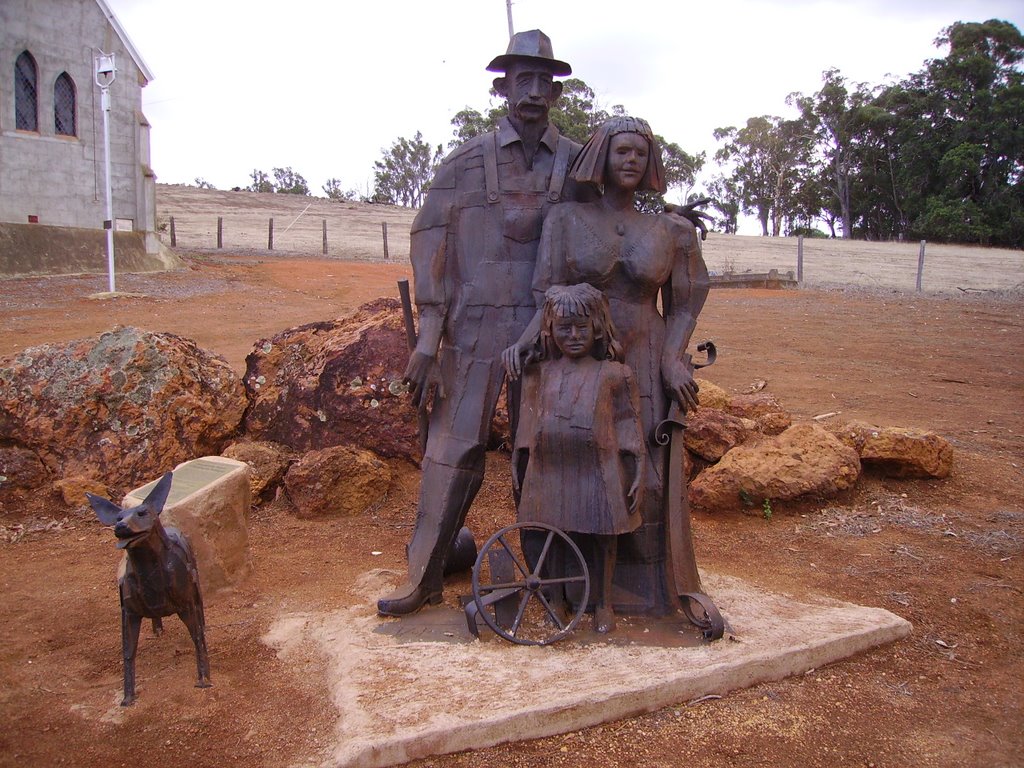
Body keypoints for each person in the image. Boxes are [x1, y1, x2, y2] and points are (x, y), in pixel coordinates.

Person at [376, 30, 584, 616]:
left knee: (543, 450)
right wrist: (428, 335)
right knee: (452, 448)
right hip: (471, 332)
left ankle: (554, 581)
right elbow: (431, 246)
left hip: (552, 335)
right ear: (502, 88)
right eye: (524, 80)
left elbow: (602, 233)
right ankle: (424, 576)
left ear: (556, 92)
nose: (535, 91)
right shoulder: (462, 166)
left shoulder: (578, 166)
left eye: (545, 81)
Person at [504, 116, 710, 615]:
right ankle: (564, 581)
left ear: (652, 163)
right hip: (577, 353)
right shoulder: (567, 219)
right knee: (568, 459)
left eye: (640, 152)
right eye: (621, 151)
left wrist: (673, 358)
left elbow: (685, 302)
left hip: (643, 350)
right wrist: (527, 340)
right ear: (602, 156)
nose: (630, 160)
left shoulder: (672, 230)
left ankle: (651, 586)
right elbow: (544, 293)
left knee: (644, 464)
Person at [513, 283, 645, 633]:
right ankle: (556, 597)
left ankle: (604, 602)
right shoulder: (539, 373)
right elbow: (528, 417)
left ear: (598, 329)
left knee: (604, 534)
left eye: (582, 328)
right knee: (551, 532)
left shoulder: (615, 374)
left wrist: (637, 464)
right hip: (549, 466)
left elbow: (627, 420)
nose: (573, 336)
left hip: (598, 467)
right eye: (563, 328)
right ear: (549, 330)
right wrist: (519, 455)